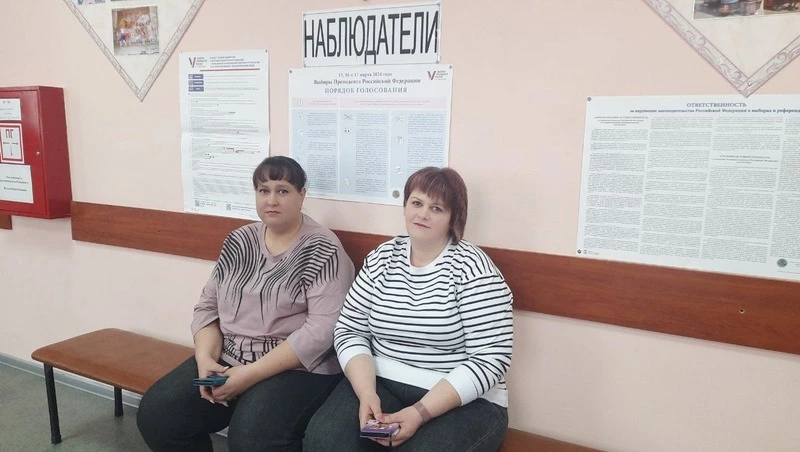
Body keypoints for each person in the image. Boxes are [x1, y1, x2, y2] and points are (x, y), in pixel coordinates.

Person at [137, 156, 355, 452]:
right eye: (264, 190)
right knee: (158, 414)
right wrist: (205, 360)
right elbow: (207, 308)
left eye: (283, 191)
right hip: (229, 356)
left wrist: (249, 375)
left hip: (295, 367)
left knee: (251, 439)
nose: (271, 200)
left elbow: (323, 330)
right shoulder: (240, 240)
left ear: (302, 195)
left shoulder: (323, 249)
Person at [304, 167, 513, 451]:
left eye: (436, 208)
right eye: (416, 203)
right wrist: (366, 393)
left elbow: (490, 358)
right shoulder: (381, 258)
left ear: (454, 218)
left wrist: (419, 413)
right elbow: (350, 329)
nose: (423, 214)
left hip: (463, 399)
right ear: (405, 207)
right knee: (325, 441)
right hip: (382, 382)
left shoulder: (475, 270)